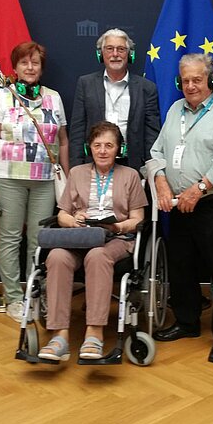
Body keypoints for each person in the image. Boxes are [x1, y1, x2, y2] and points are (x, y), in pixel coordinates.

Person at [150, 53, 213, 363]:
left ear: (211, 80)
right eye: (185, 80)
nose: (190, 86)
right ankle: (187, 323)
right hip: (178, 204)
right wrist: (160, 180)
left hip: (210, 204)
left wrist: (200, 188)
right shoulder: (175, 109)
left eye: (197, 80)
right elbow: (157, 151)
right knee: (181, 265)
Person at [38, 121, 148, 361]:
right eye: (97, 145)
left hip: (115, 238)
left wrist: (117, 226)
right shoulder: (76, 173)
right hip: (81, 236)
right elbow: (62, 214)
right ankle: (59, 335)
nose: (103, 150)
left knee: (98, 256)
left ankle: (94, 333)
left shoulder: (130, 175)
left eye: (109, 145)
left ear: (119, 149)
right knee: (56, 256)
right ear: (89, 148)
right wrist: (73, 220)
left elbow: (138, 219)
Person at [0, 41, 69, 322]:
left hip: (44, 180)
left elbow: (63, 141)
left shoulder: (54, 97)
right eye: (24, 62)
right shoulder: (1, 97)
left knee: (39, 239)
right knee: (10, 238)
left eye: (35, 62)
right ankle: (12, 297)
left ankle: (36, 293)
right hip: (8, 178)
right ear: (15, 67)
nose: (30, 67)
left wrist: (67, 178)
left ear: (42, 67)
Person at [69, 28, 160, 169]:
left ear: (130, 54)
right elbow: (77, 131)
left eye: (121, 49)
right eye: (109, 49)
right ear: (100, 54)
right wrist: (76, 168)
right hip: (93, 164)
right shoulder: (86, 84)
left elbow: (151, 135)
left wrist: (151, 170)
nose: (115, 54)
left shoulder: (146, 88)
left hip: (132, 165)